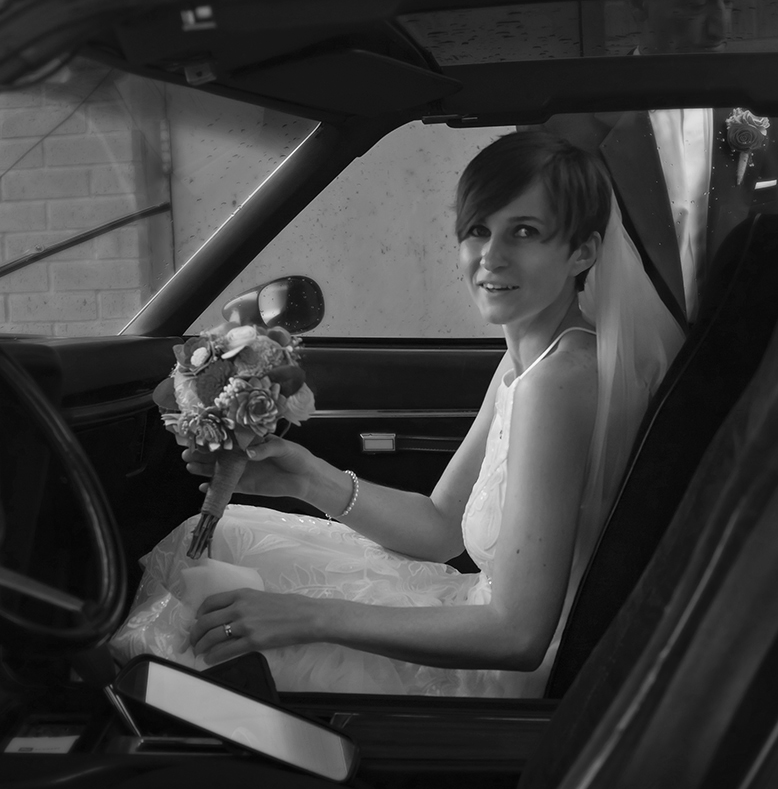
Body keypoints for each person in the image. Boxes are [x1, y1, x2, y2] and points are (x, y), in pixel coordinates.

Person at [111, 132, 683, 698]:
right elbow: (439, 527)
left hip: (492, 677)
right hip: (472, 611)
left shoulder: (559, 382)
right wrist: (308, 478)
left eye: (525, 232)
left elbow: (517, 635)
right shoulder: (526, 360)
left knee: (185, 644)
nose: (491, 256)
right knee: (218, 542)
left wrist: (308, 616)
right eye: (478, 230)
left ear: (583, 252)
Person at [542, 0, 778, 328]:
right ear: (639, 5)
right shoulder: (567, 124)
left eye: (727, 1)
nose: (720, 29)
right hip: (616, 344)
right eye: (695, 5)